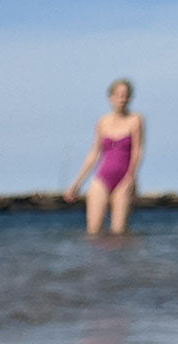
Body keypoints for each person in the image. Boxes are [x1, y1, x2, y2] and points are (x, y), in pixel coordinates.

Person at [64, 79, 145, 235]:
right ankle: (97, 260)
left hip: (124, 179)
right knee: (93, 232)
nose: (122, 99)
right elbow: (94, 153)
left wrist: (131, 178)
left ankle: (121, 259)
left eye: (125, 95)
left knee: (119, 232)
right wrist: (76, 183)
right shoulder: (102, 122)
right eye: (118, 95)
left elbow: (137, 151)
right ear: (111, 98)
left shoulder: (135, 120)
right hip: (102, 178)